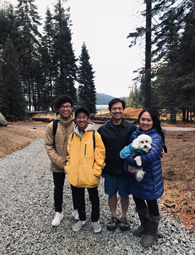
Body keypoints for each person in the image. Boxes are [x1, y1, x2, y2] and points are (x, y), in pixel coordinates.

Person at [124, 108, 167, 247]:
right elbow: (126, 152)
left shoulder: (156, 137)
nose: (145, 122)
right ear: (139, 120)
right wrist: (128, 167)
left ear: (153, 121)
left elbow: (149, 157)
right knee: (138, 200)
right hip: (135, 175)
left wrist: (130, 159)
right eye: (143, 119)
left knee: (152, 203)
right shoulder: (134, 134)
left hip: (150, 178)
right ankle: (144, 225)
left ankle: (151, 232)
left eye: (149, 120)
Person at [64, 107, 106, 233]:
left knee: (94, 198)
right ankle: (82, 219)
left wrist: (96, 171)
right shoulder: (72, 136)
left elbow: (101, 155)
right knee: (78, 198)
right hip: (75, 174)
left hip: (90, 175)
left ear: (88, 119)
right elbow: (69, 154)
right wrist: (68, 168)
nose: (81, 119)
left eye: (84, 117)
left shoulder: (95, 135)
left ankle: (95, 220)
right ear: (75, 119)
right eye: (79, 117)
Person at [98, 98, 136, 231]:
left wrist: (161, 145)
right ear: (110, 111)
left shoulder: (131, 128)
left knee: (125, 195)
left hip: (126, 170)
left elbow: (143, 140)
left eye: (119, 108)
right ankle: (113, 217)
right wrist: (101, 168)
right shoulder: (102, 130)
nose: (117, 111)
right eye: (114, 108)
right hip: (110, 169)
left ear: (123, 110)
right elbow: (98, 150)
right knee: (111, 194)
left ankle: (124, 217)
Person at [45, 94, 78, 227]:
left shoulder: (77, 124)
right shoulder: (51, 126)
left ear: (72, 108)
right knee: (58, 189)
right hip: (57, 165)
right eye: (63, 106)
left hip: (74, 163)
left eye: (68, 106)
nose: (66, 109)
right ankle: (58, 212)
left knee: (76, 188)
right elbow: (49, 145)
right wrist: (59, 161)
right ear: (58, 108)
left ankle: (77, 210)